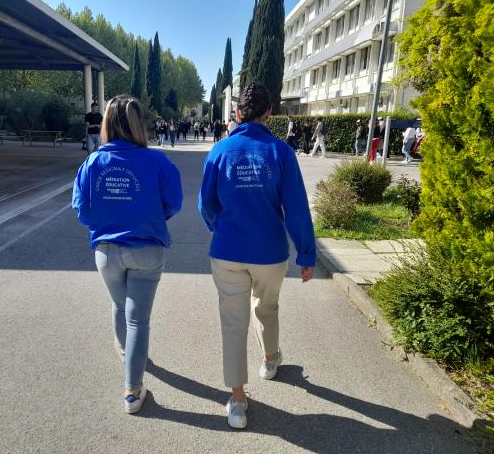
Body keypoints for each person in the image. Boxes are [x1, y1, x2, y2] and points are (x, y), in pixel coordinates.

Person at [198, 83, 316, 430]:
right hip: (270, 254)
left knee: (233, 324)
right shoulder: (281, 153)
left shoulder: (219, 152)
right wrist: (306, 254)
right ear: (268, 114)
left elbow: (206, 204)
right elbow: (296, 209)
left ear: (237, 114)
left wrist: (218, 227)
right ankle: (269, 360)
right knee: (267, 307)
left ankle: (237, 400)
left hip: (228, 252)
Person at [72, 95, 183, 414]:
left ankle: (129, 360)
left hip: (106, 250)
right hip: (147, 247)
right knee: (139, 319)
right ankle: (132, 390)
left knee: (119, 307)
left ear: (105, 123)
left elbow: (82, 210)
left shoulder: (93, 162)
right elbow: (173, 204)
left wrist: (108, 218)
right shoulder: (158, 161)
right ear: (138, 124)